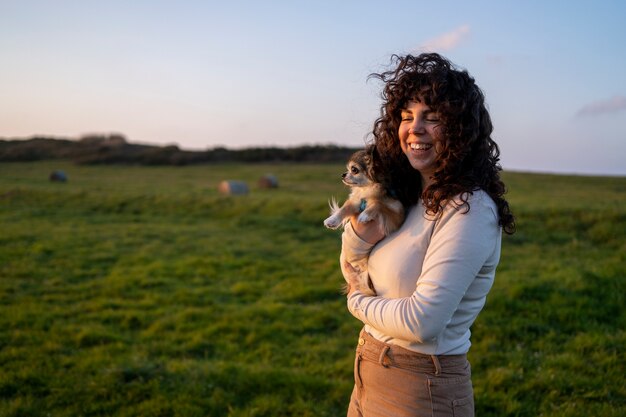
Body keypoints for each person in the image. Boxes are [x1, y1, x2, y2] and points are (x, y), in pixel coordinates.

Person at [340, 53, 515, 417]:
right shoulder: (407, 195)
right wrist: (356, 235)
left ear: (459, 131)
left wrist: (356, 302)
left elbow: (422, 322)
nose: (415, 128)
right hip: (368, 369)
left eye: (432, 119)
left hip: (420, 388)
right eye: (406, 117)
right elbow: (354, 254)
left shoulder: (468, 208)